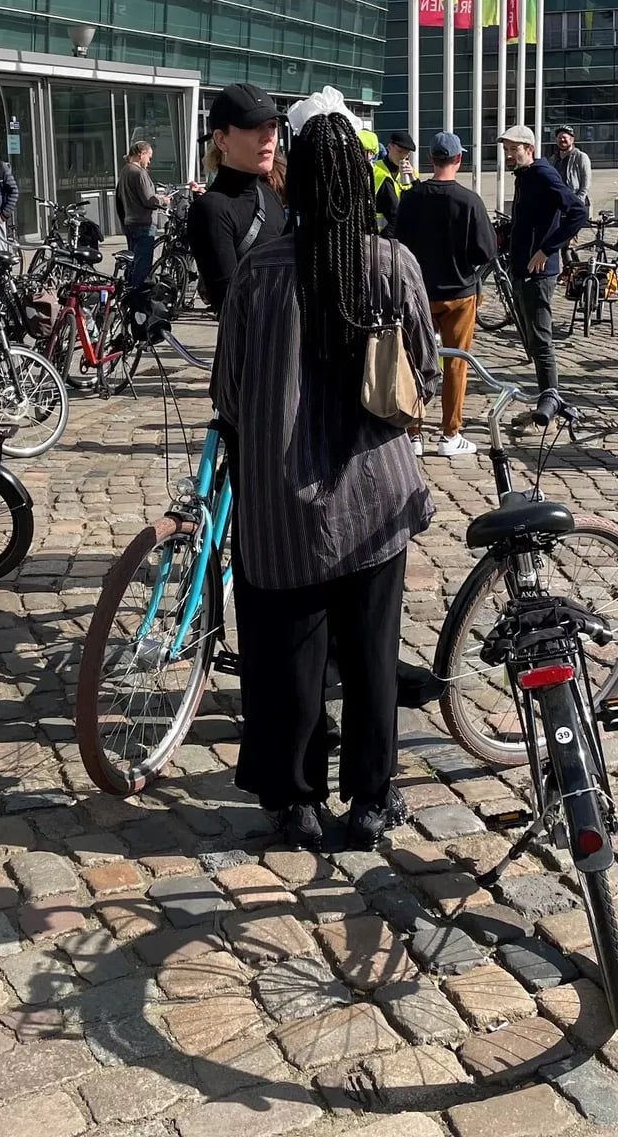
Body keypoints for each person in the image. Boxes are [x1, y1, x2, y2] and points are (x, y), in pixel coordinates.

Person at [212, 111, 437, 852]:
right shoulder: (391, 264)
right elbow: (422, 370)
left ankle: (294, 800)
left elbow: (231, 392)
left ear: (297, 184)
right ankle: (371, 798)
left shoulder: (259, 271)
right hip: (375, 495)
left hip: (281, 501)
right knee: (371, 654)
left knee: (288, 656)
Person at [392, 131, 496, 458]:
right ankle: (450, 433)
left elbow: (397, 242)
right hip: (459, 293)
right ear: (459, 159)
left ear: (430, 160)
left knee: (412, 361)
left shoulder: (411, 198)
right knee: (456, 364)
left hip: (418, 292)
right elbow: (486, 251)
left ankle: (413, 432)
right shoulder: (469, 201)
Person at [501, 124, 586, 422]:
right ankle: (545, 398)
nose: (508, 155)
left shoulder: (542, 173)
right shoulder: (524, 175)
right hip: (521, 268)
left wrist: (547, 249)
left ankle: (551, 401)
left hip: (538, 273)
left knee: (540, 339)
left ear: (530, 149)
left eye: (514, 149)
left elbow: (578, 212)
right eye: (506, 149)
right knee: (532, 339)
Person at [189, 83, 284, 309]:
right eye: (254, 126)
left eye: (272, 125)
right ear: (221, 139)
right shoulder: (212, 208)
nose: (268, 136)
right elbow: (231, 303)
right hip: (254, 331)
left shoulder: (269, 195)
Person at [116, 139, 169, 288]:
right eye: (149, 157)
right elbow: (148, 200)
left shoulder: (125, 171)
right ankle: (138, 295)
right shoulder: (139, 173)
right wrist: (163, 200)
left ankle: (128, 290)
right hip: (143, 223)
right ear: (142, 154)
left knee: (133, 261)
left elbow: (120, 198)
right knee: (143, 264)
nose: (149, 162)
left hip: (130, 222)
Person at [371, 132, 416, 233]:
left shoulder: (412, 173)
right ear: (389, 147)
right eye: (400, 151)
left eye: (407, 153)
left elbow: (420, 201)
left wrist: (414, 179)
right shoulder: (376, 170)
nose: (403, 156)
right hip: (382, 234)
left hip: (405, 232)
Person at [550, 128, 593, 206]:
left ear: (572, 140)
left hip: (575, 202)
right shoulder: (553, 159)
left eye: (564, 137)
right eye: (559, 138)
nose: (562, 140)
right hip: (557, 203)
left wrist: (579, 200)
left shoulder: (581, 157)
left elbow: (586, 182)